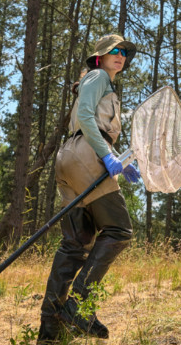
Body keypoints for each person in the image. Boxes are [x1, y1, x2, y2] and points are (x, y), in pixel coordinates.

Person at [38, 33, 141, 343]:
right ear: (99, 55)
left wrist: (119, 161)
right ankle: (78, 305)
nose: (121, 55)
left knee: (74, 245)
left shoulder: (98, 81)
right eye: (115, 50)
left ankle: (49, 332)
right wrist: (108, 155)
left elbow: (90, 122)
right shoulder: (97, 76)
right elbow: (85, 117)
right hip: (86, 154)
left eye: (124, 52)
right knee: (119, 231)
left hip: (70, 156)